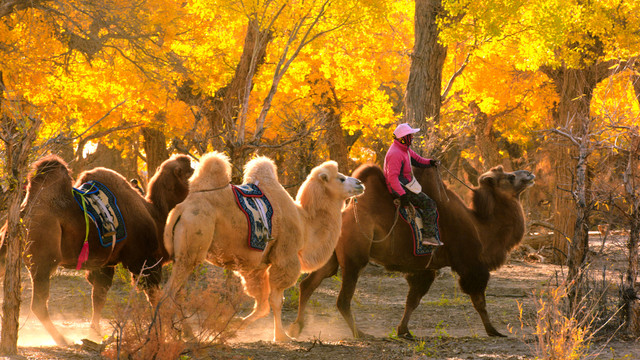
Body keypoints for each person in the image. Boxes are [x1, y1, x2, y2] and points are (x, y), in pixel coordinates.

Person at [383, 123, 443, 246]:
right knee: (429, 204)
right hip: (399, 188)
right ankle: (428, 237)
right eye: (410, 135)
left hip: (405, 185)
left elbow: (418, 160)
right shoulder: (395, 153)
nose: (412, 137)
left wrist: (431, 162)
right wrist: (402, 195)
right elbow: (392, 178)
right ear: (403, 138)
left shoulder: (405, 149)